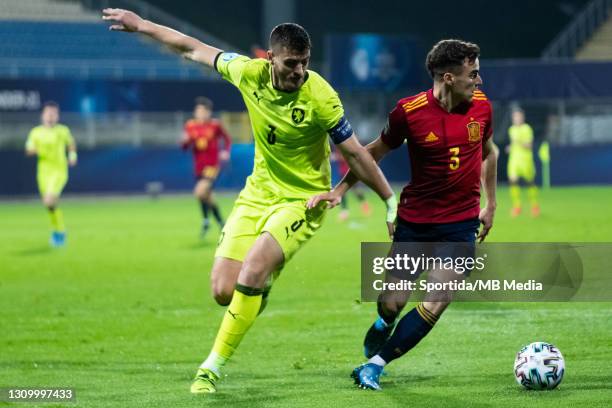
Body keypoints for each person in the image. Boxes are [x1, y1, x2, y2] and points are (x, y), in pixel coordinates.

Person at [103, 8, 397, 394]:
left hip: (304, 201)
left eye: (305, 63)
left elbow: (357, 153)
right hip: (257, 194)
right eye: (292, 63)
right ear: (271, 59)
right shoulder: (247, 72)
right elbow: (192, 48)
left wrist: (390, 201)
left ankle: (210, 368)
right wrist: (142, 25)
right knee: (224, 291)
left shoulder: (321, 96)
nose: (299, 71)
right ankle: (261, 287)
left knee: (253, 269)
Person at [309, 39, 498, 391]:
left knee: (437, 301)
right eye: (473, 74)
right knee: (392, 303)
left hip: (461, 224)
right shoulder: (408, 112)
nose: (480, 80)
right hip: (415, 223)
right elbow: (372, 153)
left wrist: (491, 204)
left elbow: (490, 152)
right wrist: (339, 190)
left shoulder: (483, 108)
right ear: (448, 77)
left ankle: (375, 365)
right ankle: (384, 323)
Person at [25, 101, 77, 247]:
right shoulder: (35, 132)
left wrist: (72, 156)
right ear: (43, 115)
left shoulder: (63, 130)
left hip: (59, 171)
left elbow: (71, 144)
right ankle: (59, 230)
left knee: (49, 200)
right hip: (43, 172)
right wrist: (34, 150)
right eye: (48, 113)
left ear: (57, 116)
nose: (51, 116)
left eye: (54, 114)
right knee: (49, 205)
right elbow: (28, 149)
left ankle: (59, 232)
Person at [181, 96, 231, 236]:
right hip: (198, 167)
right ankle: (220, 222)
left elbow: (227, 139)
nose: (200, 114)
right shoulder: (190, 126)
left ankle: (206, 220)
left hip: (212, 166)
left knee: (199, 192)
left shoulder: (215, 125)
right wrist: (185, 142)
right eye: (198, 111)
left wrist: (225, 152)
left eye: (203, 111)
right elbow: (184, 147)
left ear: (209, 112)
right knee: (207, 196)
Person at [506, 108, 539, 217]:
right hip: (514, 159)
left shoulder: (527, 129)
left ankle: (534, 206)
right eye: (515, 117)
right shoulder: (511, 129)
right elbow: (513, 143)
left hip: (526, 159)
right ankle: (517, 206)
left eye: (519, 117)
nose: (517, 119)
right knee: (513, 180)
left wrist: (518, 141)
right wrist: (510, 147)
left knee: (530, 182)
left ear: (522, 117)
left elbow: (529, 146)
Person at [332, 148, 371, 221]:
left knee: (357, 191)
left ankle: (364, 204)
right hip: (342, 174)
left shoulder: (346, 147)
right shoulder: (337, 148)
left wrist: (336, 157)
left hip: (351, 173)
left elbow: (347, 157)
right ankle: (344, 212)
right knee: (341, 193)